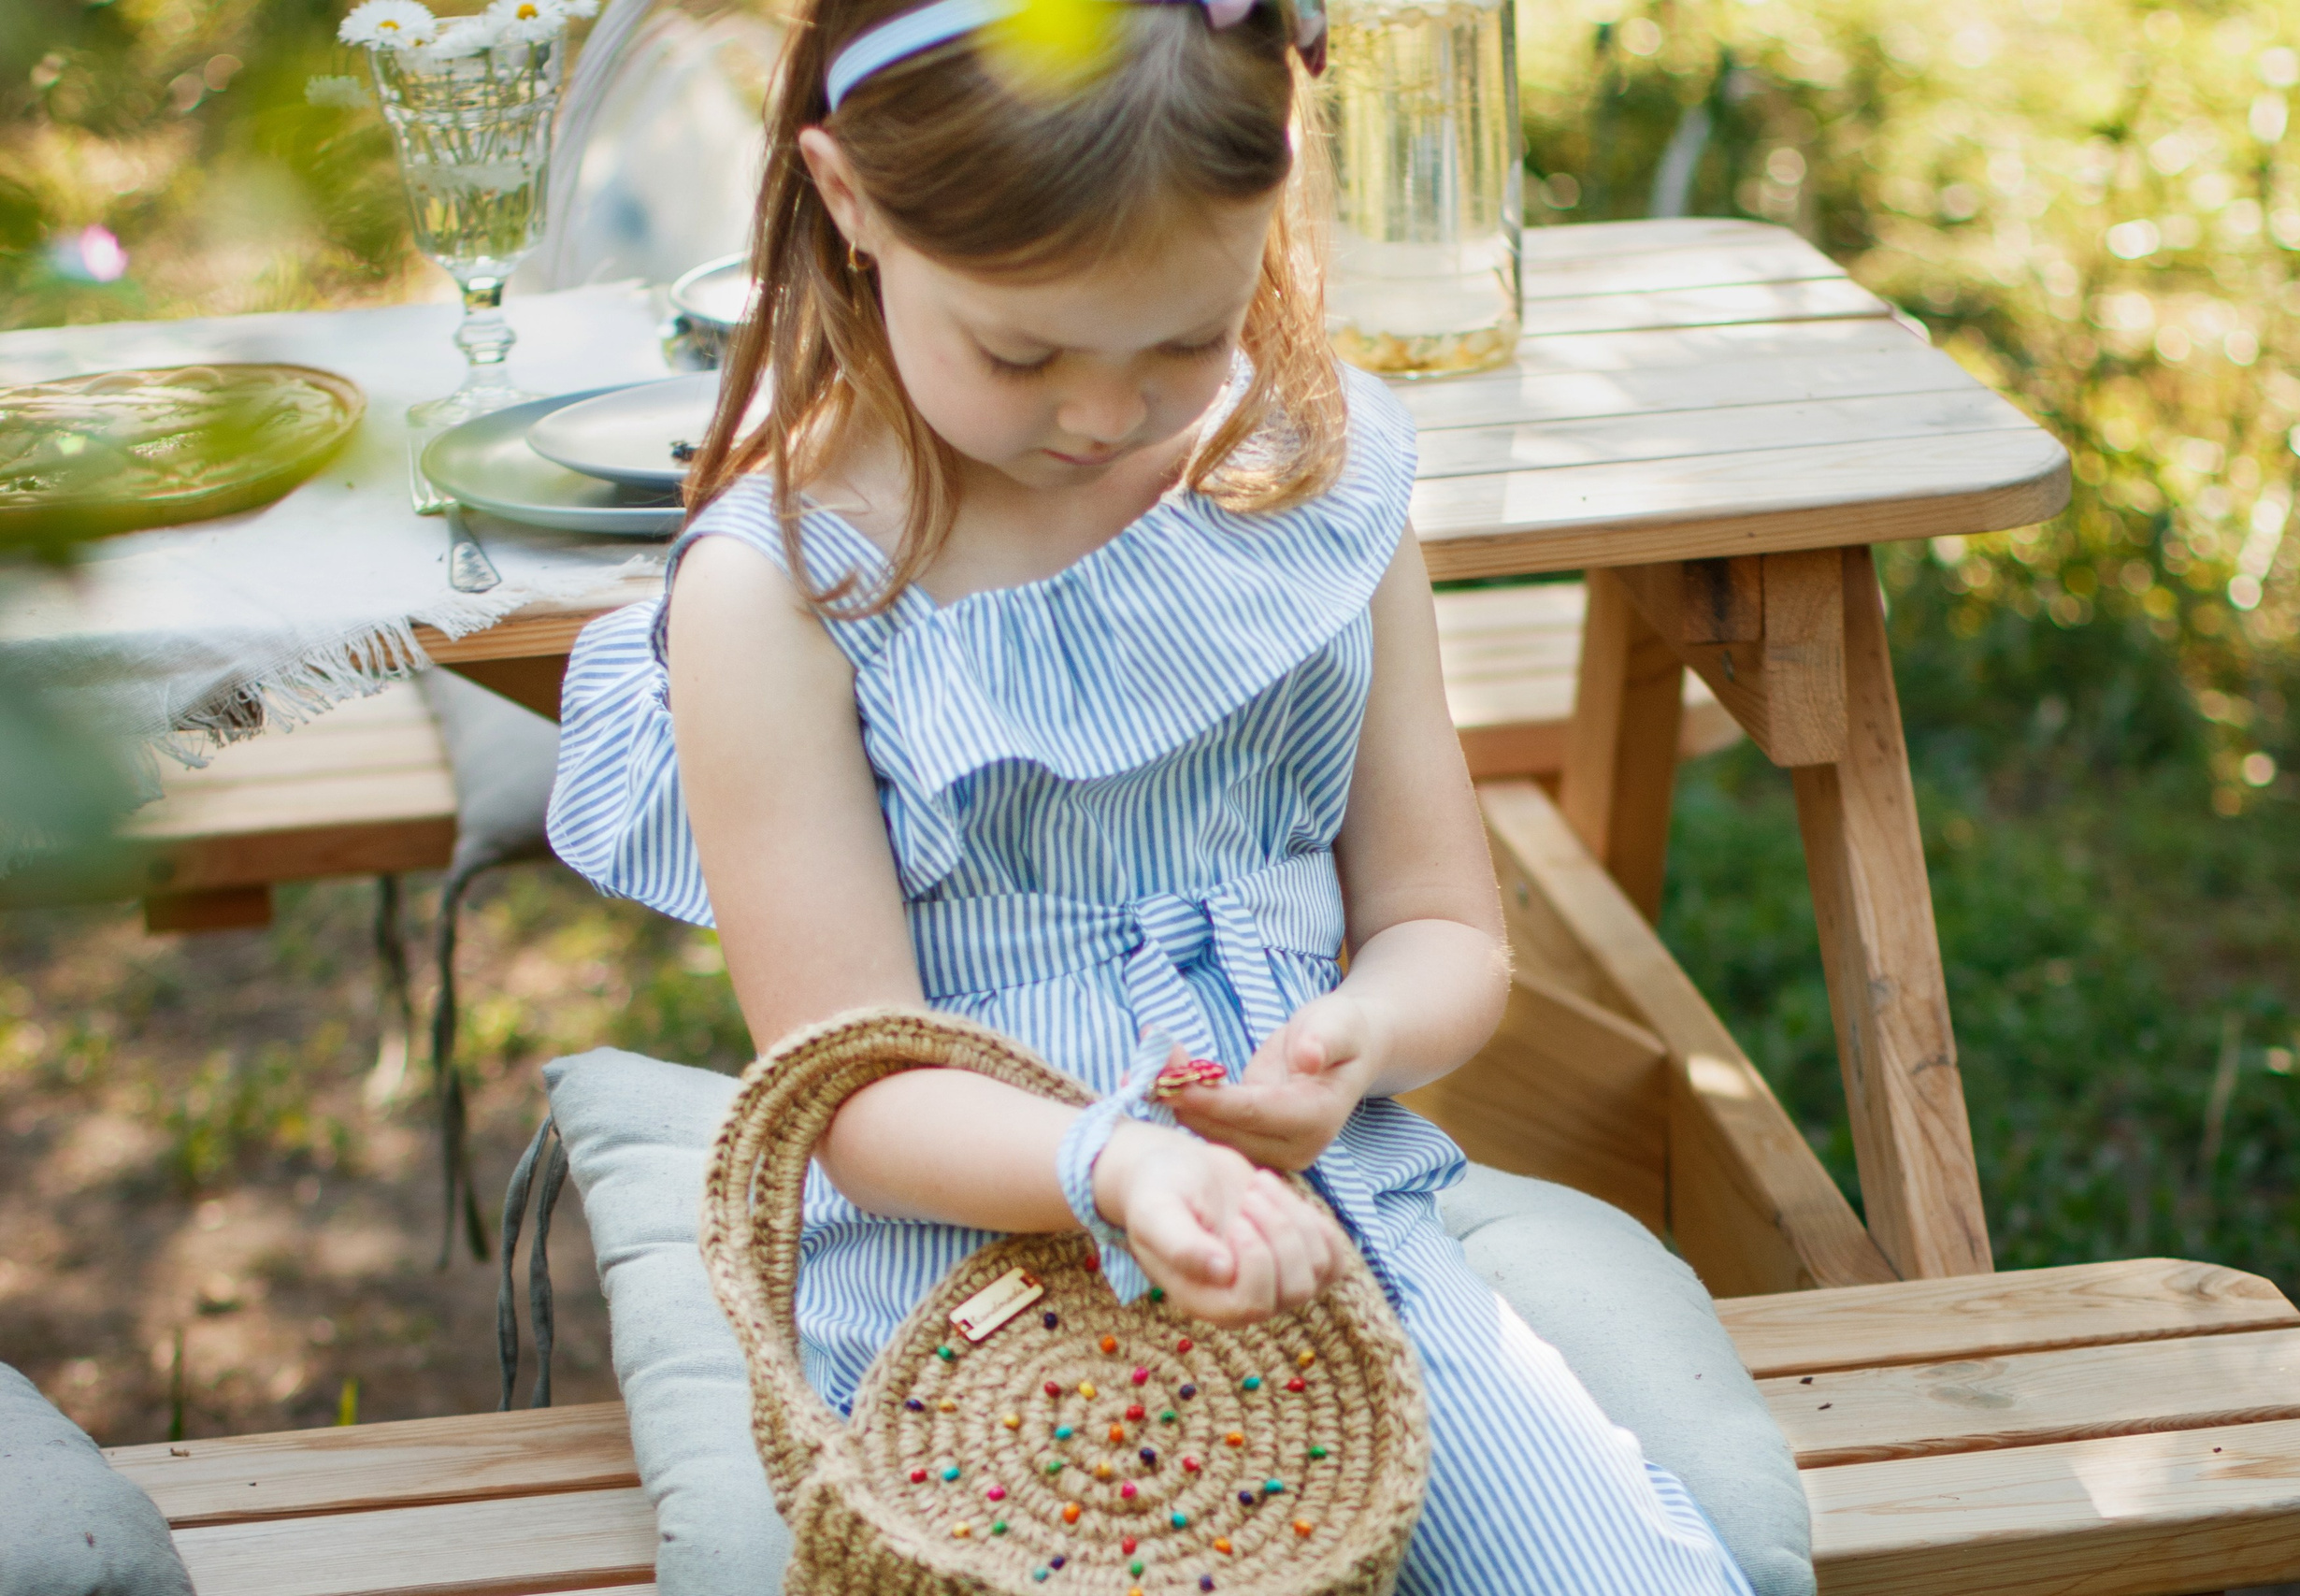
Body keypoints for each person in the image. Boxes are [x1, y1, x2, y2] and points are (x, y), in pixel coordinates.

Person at [548, 0, 1753, 1588]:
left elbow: (1448, 926)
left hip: (1323, 1243)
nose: (1105, 415)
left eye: (1188, 337)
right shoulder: (779, 592)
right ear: (848, 204)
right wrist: (1118, 1163)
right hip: (964, 1281)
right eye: (1021, 349)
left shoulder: (1318, 475)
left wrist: (1357, 1040)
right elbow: (851, 1091)